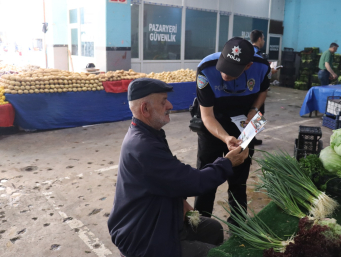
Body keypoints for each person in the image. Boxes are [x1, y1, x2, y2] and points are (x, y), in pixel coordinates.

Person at [107, 78, 249, 257]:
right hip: (143, 235)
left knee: (213, 229)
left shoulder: (150, 133)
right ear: (145, 109)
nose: (170, 105)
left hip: (159, 215)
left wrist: (181, 202)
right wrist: (227, 163)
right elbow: (193, 182)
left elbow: (170, 178)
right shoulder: (143, 147)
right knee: (216, 255)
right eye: (163, 101)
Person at [194, 37, 270, 225]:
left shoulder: (261, 66)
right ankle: (201, 223)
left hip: (245, 121)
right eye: (223, 68)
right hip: (214, 122)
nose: (225, 76)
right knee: (207, 173)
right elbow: (207, 116)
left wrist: (254, 109)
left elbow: (263, 89)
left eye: (232, 72)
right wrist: (226, 137)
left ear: (248, 66)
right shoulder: (206, 70)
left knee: (240, 175)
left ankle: (238, 223)